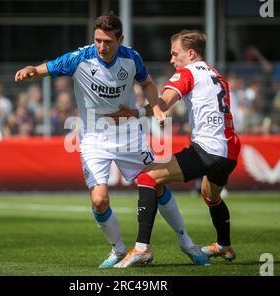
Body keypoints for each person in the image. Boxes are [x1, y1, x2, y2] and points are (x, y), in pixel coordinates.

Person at [15, 14, 209, 268]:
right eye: (97, 40)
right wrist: (31, 72)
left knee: (158, 185)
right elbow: (46, 68)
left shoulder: (131, 57)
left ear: (120, 39)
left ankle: (186, 242)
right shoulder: (80, 58)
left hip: (129, 134)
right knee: (99, 200)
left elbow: (148, 83)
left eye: (108, 41)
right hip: (94, 139)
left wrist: (157, 108)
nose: (101, 46)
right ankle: (118, 250)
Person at [112, 30, 241, 268]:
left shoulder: (187, 72)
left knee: (148, 177)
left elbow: (164, 102)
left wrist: (135, 113)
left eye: (175, 54)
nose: (172, 60)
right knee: (210, 195)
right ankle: (224, 245)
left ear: (190, 53)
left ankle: (141, 248)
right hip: (230, 151)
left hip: (207, 150)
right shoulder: (217, 75)